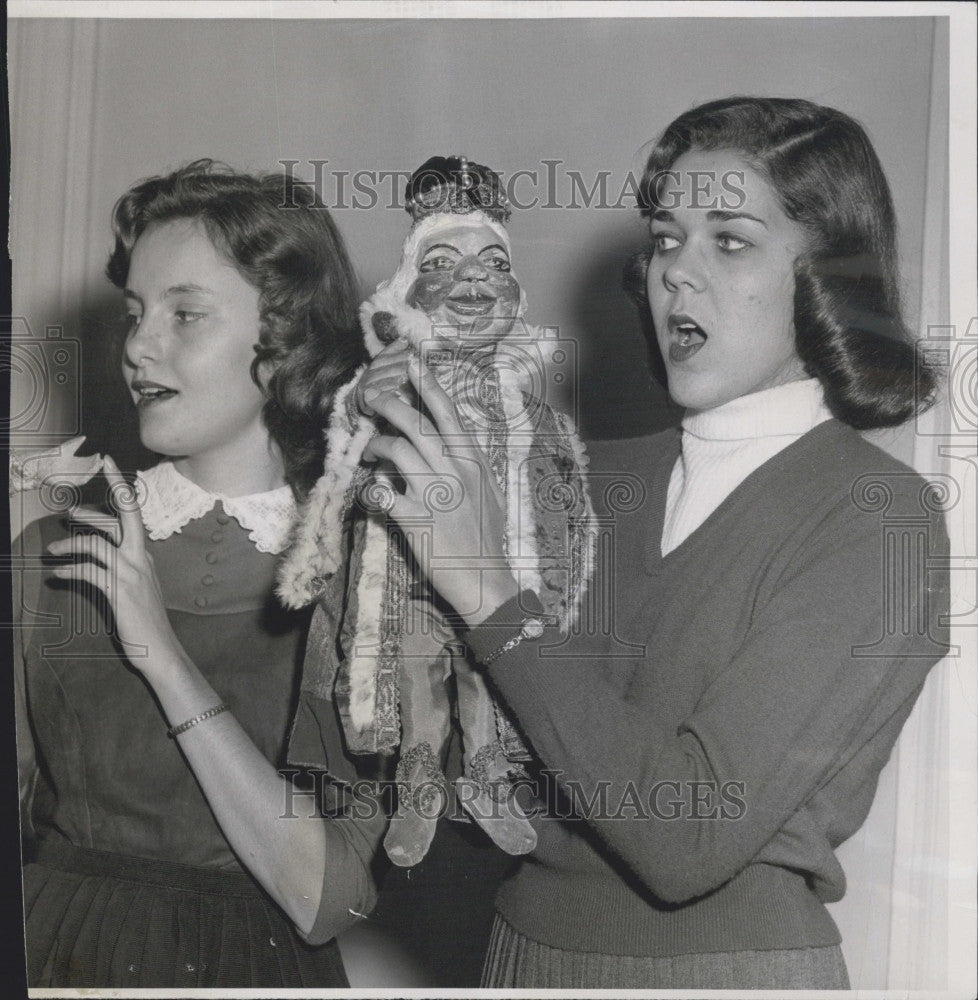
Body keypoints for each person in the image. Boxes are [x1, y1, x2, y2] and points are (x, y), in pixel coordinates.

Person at [352, 97, 952, 989]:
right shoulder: (582, 477)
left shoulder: (877, 515)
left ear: (827, 272)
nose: (678, 273)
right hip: (518, 953)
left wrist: (485, 593)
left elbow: (690, 832)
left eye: (732, 240)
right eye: (667, 238)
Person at [13, 161, 385, 988]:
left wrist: (161, 655)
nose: (140, 346)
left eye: (186, 314)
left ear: (285, 337)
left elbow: (329, 898)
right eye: (136, 313)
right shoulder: (44, 552)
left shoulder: (364, 580)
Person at [278, 155, 595, 869]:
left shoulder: (523, 400)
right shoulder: (395, 375)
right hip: (410, 567)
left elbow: (555, 485)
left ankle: (486, 775)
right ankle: (419, 778)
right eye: (445, 262)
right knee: (419, 664)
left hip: (495, 570)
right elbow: (346, 460)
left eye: (491, 261)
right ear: (411, 287)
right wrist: (365, 405)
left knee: (490, 672)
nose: (472, 280)